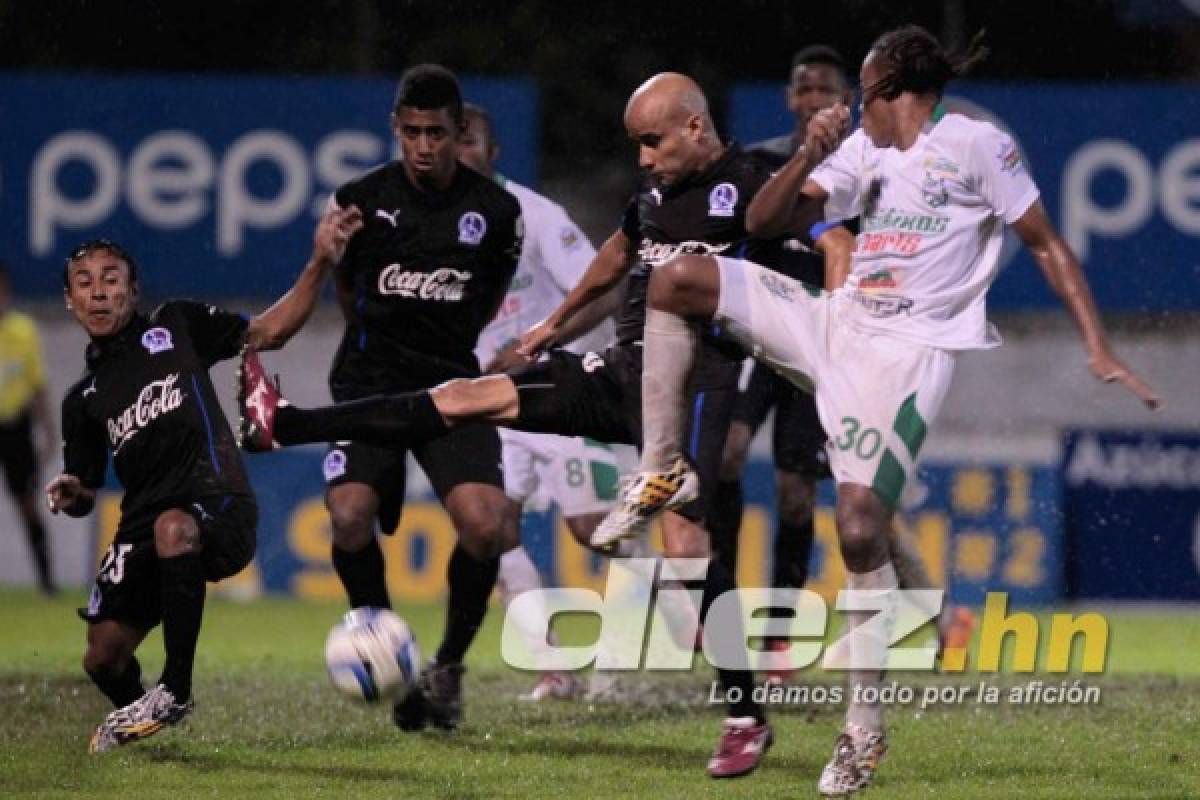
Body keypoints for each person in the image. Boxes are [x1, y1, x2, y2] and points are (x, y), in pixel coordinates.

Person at [596, 26, 1160, 796]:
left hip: (904, 355)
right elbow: (764, 226)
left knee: (859, 526)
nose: (850, 98)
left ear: (892, 82)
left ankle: (863, 730)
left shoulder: (974, 146)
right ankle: (661, 468)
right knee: (681, 278)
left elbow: (1047, 244)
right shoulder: (861, 149)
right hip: (835, 321)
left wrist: (1097, 347)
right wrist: (806, 151)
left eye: (862, 83)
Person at [240, 72, 775, 779]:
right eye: (636, 145)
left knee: (678, 537)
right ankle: (290, 421)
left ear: (696, 129)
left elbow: (802, 223)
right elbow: (617, 254)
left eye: (651, 142)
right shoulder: (649, 194)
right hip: (615, 370)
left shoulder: (745, 182)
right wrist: (550, 330)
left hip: (695, 380)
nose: (642, 157)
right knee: (467, 397)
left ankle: (744, 712)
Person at [48, 217, 358, 752]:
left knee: (175, 527)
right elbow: (85, 490)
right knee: (102, 656)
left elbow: (270, 331)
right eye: (85, 281)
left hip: (218, 504)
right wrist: (72, 492)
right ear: (71, 299)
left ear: (133, 289)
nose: (98, 291)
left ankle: (174, 689)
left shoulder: (177, 324)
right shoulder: (82, 400)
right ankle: (143, 721)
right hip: (141, 524)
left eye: (111, 278)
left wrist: (320, 262)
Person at [716, 45, 973, 684]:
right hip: (771, 331)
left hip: (837, 338)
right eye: (802, 89)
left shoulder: (874, 161)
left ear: (849, 100)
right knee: (723, 452)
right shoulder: (767, 160)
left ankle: (783, 635)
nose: (812, 101)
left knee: (808, 495)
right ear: (789, 98)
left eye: (827, 91)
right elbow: (747, 229)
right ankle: (713, 599)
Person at [300, 65, 523, 732]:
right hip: (370, 386)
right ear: (397, 130)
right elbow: (346, 295)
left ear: (461, 134)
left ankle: (447, 664)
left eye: (438, 133)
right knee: (348, 516)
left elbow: (485, 299)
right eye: (412, 132)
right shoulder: (360, 200)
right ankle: (389, 666)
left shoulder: (496, 213)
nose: (424, 145)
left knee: (487, 526)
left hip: (452, 388)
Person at [458, 102, 631, 701]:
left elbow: (607, 291)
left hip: (564, 394)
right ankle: (554, 666)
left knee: (594, 531)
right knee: (489, 526)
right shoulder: (433, 228)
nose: (457, 152)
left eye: (468, 140)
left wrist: (541, 343)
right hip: (495, 403)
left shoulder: (534, 214)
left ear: (492, 151)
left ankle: (653, 610)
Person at [0, 261, 57, 595]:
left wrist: (48, 431)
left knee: (27, 504)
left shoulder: (23, 331)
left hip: (15, 425)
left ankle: (46, 581)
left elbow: (37, 386)